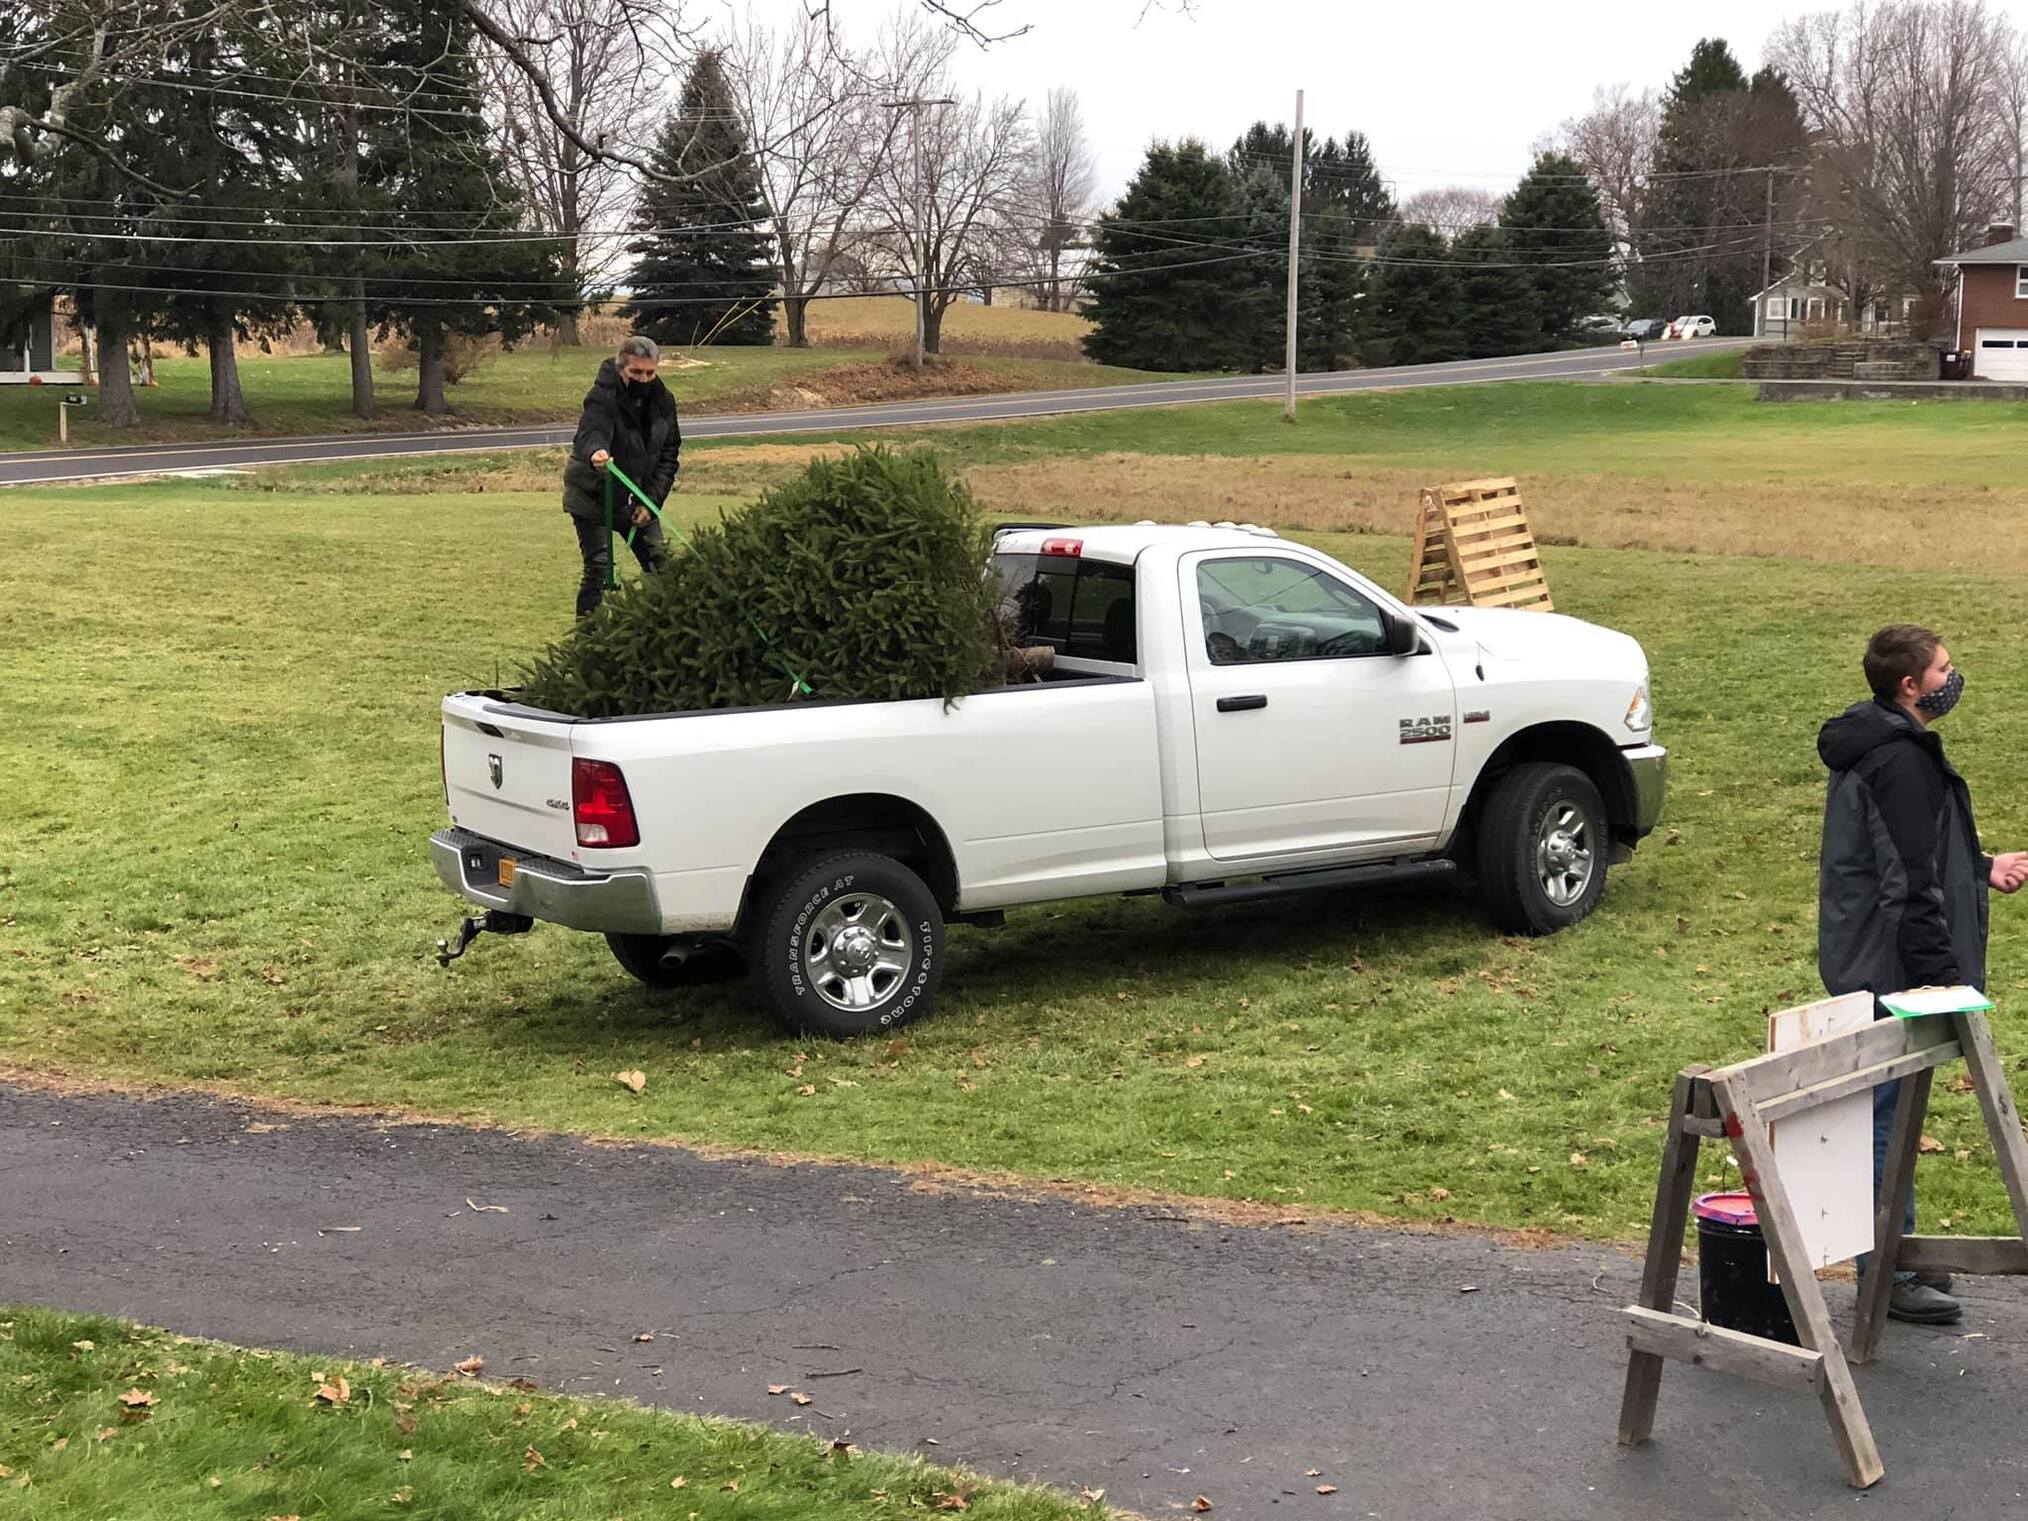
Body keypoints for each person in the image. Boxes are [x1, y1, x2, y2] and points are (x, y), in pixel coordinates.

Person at [1817, 624, 2028, 1325]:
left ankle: (1897, 1247)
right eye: (1943, 668)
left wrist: (1978, 866)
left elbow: (1919, 852)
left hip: (1882, 956)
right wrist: (1941, 977)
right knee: (1885, 1114)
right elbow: (1906, 881)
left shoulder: (1881, 742)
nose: (1953, 675)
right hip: (1891, 967)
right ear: (1911, 686)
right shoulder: (1897, 762)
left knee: (1897, 1106)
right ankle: (1888, 1269)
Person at [562, 334, 682, 618]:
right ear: (621, 369)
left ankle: (662, 634)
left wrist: (651, 503)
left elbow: (669, 454)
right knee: (600, 570)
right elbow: (592, 433)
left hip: (638, 500)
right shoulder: (601, 397)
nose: (643, 379)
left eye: (650, 372)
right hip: (593, 497)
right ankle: (587, 640)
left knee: (663, 566)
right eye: (636, 372)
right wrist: (597, 455)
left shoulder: (664, 402)